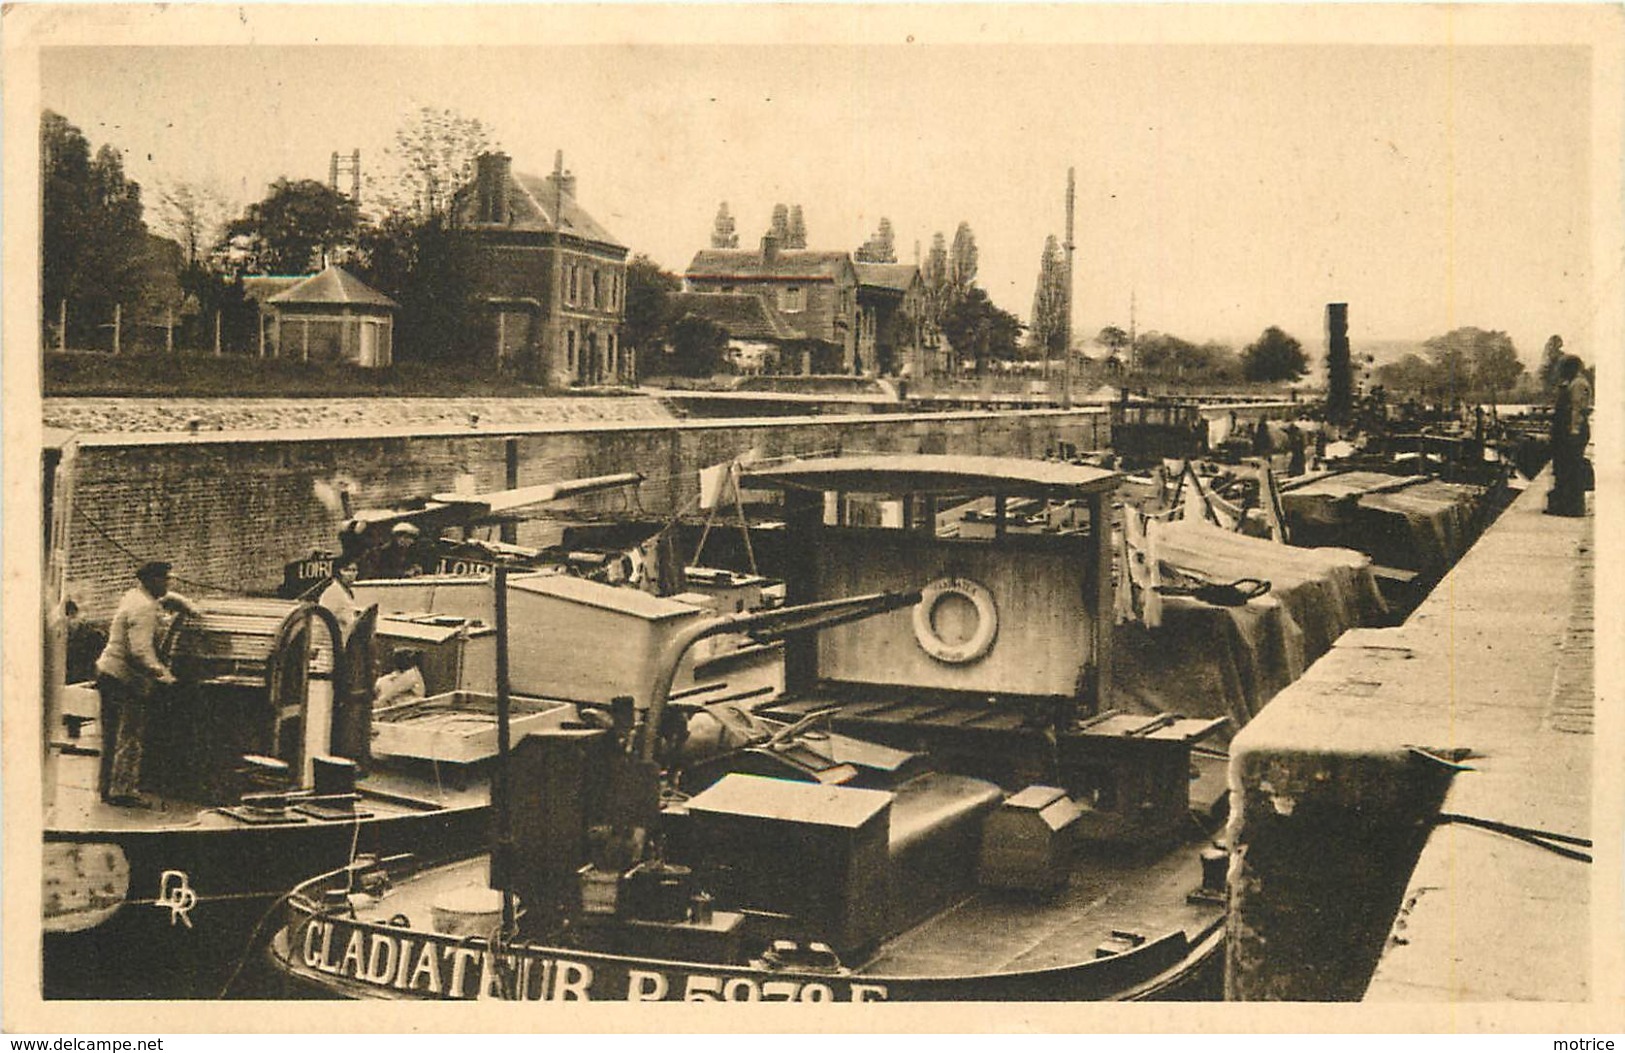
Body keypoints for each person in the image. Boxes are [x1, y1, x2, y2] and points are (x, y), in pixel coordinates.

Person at [94, 561, 198, 807]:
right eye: (164, 580)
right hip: (124, 679)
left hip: (107, 672)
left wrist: (181, 602)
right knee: (129, 735)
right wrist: (163, 674)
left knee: (110, 735)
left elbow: (160, 599)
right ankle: (123, 791)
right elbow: (140, 651)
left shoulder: (133, 596)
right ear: (151, 580)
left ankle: (107, 787)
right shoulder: (145, 609)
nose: (167, 584)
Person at [1547, 355, 1593, 517]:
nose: (1561, 372)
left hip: (1573, 432)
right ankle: (1565, 505)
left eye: (1563, 368)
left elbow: (1577, 410)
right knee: (1565, 468)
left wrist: (1573, 432)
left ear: (1571, 368)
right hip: (1569, 432)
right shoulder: (1572, 383)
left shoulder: (1578, 384)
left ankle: (1572, 507)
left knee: (1571, 469)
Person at [319, 556, 362, 643]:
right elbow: (323, 621)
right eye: (347, 570)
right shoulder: (332, 593)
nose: (351, 574)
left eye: (354, 570)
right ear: (339, 572)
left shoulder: (346, 592)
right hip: (335, 644)